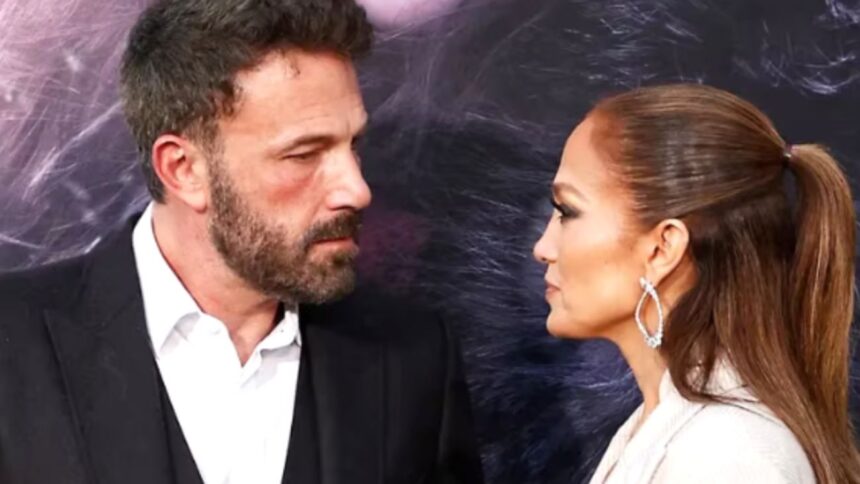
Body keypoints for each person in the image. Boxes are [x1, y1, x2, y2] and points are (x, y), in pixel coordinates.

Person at [0, 1, 484, 483]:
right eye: (303, 154)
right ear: (183, 169)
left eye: (352, 145)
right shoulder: (13, 343)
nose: (356, 190)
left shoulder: (414, 358)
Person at [533, 83, 860, 483]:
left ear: (662, 248)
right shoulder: (674, 430)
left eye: (566, 211)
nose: (542, 248)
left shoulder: (724, 456)